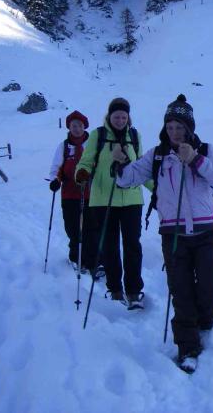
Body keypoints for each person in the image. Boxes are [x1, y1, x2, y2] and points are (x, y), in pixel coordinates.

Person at [113, 94, 213, 373]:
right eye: (170, 127)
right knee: (181, 291)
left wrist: (196, 160)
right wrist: (118, 163)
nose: (175, 132)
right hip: (173, 234)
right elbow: (127, 179)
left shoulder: (206, 149)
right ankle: (187, 347)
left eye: (180, 127)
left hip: (205, 232)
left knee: (211, 291)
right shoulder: (156, 155)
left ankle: (205, 322)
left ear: (190, 128)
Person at [75, 98, 149, 308]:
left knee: (133, 246)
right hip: (102, 200)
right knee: (110, 246)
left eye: (123, 116)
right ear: (109, 116)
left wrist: (158, 190)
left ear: (128, 117)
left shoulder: (135, 136)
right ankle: (115, 289)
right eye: (116, 116)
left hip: (132, 200)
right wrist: (81, 173)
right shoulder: (98, 136)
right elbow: (86, 162)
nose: (120, 120)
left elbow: (142, 166)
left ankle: (134, 290)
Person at [48, 110, 97, 274]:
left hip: (91, 193)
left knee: (91, 227)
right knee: (73, 227)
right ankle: (76, 257)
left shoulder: (92, 144)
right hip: (69, 194)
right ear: (69, 127)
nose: (77, 128)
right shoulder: (63, 146)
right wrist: (55, 180)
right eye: (73, 125)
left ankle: (92, 260)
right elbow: (56, 167)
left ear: (84, 127)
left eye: (80, 125)